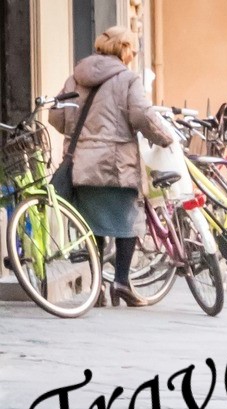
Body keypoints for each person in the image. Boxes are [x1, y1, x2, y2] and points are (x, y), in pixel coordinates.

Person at [49, 26, 171, 307]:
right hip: (116, 164)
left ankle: (97, 289)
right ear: (125, 50)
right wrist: (165, 138)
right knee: (127, 222)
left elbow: (57, 116)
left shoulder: (76, 77)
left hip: (81, 164)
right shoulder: (128, 79)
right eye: (133, 49)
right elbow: (142, 115)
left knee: (93, 225)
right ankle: (122, 283)